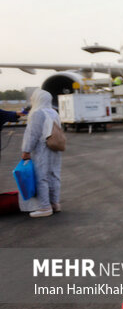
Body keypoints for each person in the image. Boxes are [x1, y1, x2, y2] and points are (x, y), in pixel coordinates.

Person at [19, 90, 62, 218]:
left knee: (41, 176)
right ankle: (55, 203)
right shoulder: (54, 112)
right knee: (54, 175)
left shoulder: (38, 113)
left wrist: (26, 150)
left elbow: (33, 134)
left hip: (43, 148)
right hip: (55, 147)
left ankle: (45, 207)